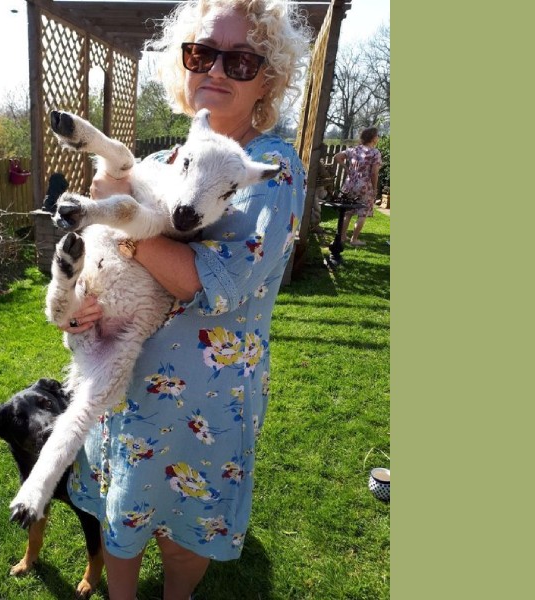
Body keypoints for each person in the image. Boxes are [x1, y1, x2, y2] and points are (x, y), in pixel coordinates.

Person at [59, 2, 310, 598]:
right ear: (185, 64)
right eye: (202, 54)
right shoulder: (154, 163)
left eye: (241, 60)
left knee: (182, 532)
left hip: (201, 404)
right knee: (121, 516)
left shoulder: (270, 169)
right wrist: (79, 307)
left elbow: (208, 283)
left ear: (267, 79)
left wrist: (125, 224)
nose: (216, 69)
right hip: (122, 383)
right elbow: (98, 260)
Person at [334, 127, 382, 247]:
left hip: (350, 184)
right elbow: (374, 173)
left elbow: (337, 157)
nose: (378, 137)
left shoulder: (354, 150)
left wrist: (346, 168)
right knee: (363, 212)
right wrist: (375, 188)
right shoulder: (375, 153)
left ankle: (343, 236)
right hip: (365, 185)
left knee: (348, 211)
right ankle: (354, 239)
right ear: (373, 138)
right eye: (377, 135)